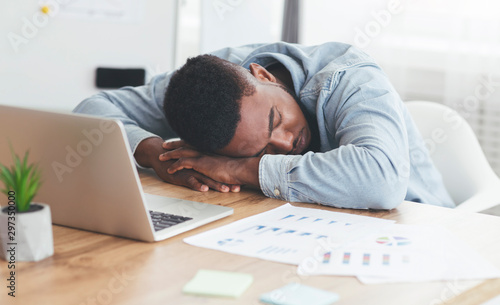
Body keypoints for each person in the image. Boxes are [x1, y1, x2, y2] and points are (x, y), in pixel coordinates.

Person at [73, 41, 454, 210]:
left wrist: (241, 167)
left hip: (415, 226)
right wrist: (156, 154)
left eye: (276, 119)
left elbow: (381, 181)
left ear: (263, 76)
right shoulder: (202, 87)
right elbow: (92, 108)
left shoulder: (350, 77)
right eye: (260, 149)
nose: (287, 142)